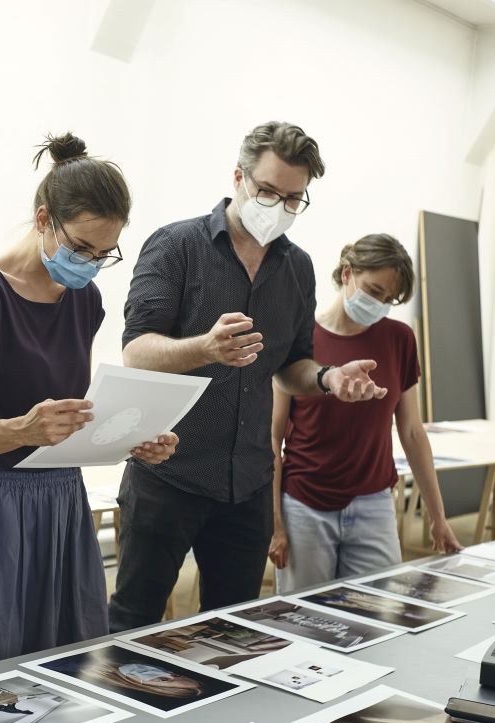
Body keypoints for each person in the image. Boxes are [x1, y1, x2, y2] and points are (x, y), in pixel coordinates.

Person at [0, 133, 178, 683]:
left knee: (63, 677)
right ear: (45, 219)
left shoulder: (84, 298)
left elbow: (71, 412)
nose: (91, 265)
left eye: (104, 255)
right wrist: (22, 428)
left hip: (59, 507)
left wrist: (130, 437)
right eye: (82, 249)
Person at [107, 121, 387, 633]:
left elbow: (292, 367)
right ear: (238, 178)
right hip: (169, 473)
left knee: (232, 630)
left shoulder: (297, 268)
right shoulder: (176, 246)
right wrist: (204, 348)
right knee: (134, 622)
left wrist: (328, 379)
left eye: (293, 199)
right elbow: (136, 352)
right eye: (266, 191)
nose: (278, 207)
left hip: (248, 484)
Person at [270, 234, 462, 593]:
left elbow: (412, 432)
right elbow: (272, 437)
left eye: (390, 299)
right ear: (347, 274)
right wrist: (276, 523)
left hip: (374, 503)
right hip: (305, 505)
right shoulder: (301, 338)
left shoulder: (399, 339)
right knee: (303, 620)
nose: (380, 305)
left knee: (374, 620)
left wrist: (438, 518)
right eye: (374, 291)